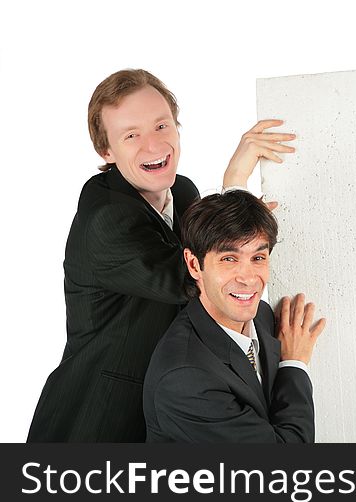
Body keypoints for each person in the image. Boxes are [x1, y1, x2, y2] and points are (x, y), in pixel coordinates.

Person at [28, 69, 296, 442]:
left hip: (168, 407)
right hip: (97, 421)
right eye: (131, 135)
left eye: (161, 126)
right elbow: (195, 279)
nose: (153, 146)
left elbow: (213, 254)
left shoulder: (181, 191)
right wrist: (236, 182)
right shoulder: (105, 220)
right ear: (107, 151)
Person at [143, 190, 325, 442]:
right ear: (194, 265)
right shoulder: (186, 379)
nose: (248, 278)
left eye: (258, 258)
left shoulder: (261, 315)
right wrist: (294, 364)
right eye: (229, 259)